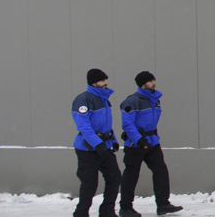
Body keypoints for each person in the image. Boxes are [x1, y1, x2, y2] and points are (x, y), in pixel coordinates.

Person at [118, 71, 183, 217]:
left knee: (160, 170)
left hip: (152, 142)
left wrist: (151, 138)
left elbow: (151, 122)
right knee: (131, 175)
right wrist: (139, 140)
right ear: (142, 84)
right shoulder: (132, 101)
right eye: (150, 81)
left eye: (154, 80)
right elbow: (128, 125)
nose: (153, 83)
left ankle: (163, 204)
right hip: (136, 145)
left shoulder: (154, 99)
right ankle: (125, 208)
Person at [72, 68, 122, 217]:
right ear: (94, 82)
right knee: (89, 183)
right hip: (87, 149)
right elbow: (83, 126)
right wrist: (97, 143)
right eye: (102, 80)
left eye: (106, 80)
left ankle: (107, 211)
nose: (106, 83)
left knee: (115, 178)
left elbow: (106, 124)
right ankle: (81, 213)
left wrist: (112, 140)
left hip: (104, 147)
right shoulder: (83, 100)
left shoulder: (104, 99)